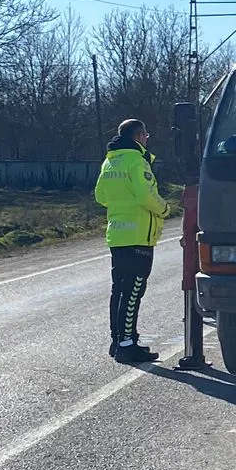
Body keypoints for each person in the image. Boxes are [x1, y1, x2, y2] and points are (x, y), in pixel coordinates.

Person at [94, 118, 168, 363]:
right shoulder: (137, 161)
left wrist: (121, 204)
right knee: (134, 290)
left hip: (117, 234)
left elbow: (101, 196)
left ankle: (119, 340)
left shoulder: (110, 161)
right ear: (138, 136)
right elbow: (147, 195)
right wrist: (165, 209)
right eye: (146, 135)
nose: (147, 139)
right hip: (138, 235)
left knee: (120, 289)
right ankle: (127, 345)